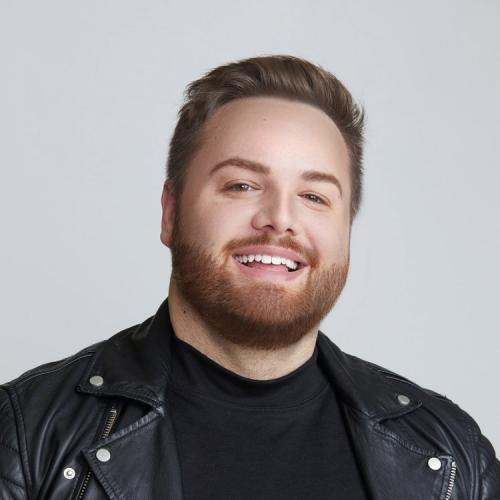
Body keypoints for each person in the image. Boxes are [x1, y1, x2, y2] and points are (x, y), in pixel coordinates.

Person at [1, 55, 498, 500]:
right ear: (171, 213)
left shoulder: (455, 455)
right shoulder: (24, 436)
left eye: (315, 196)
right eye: (242, 185)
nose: (280, 219)